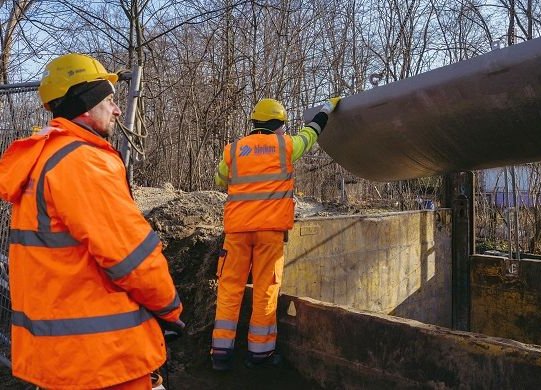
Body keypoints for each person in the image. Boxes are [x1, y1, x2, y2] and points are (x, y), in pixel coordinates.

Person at [0, 53, 185, 389]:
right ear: (86, 104)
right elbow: (132, 257)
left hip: (62, 356)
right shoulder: (82, 162)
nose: (116, 110)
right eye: (110, 100)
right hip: (106, 359)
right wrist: (170, 309)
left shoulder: (42, 158)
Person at [210, 96, 340, 371]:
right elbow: (312, 132)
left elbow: (220, 179)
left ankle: (220, 354)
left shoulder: (233, 150)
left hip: (236, 234)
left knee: (229, 289)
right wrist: (327, 108)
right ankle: (260, 353)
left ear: (255, 123)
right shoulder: (287, 146)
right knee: (265, 290)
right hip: (269, 234)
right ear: (280, 124)